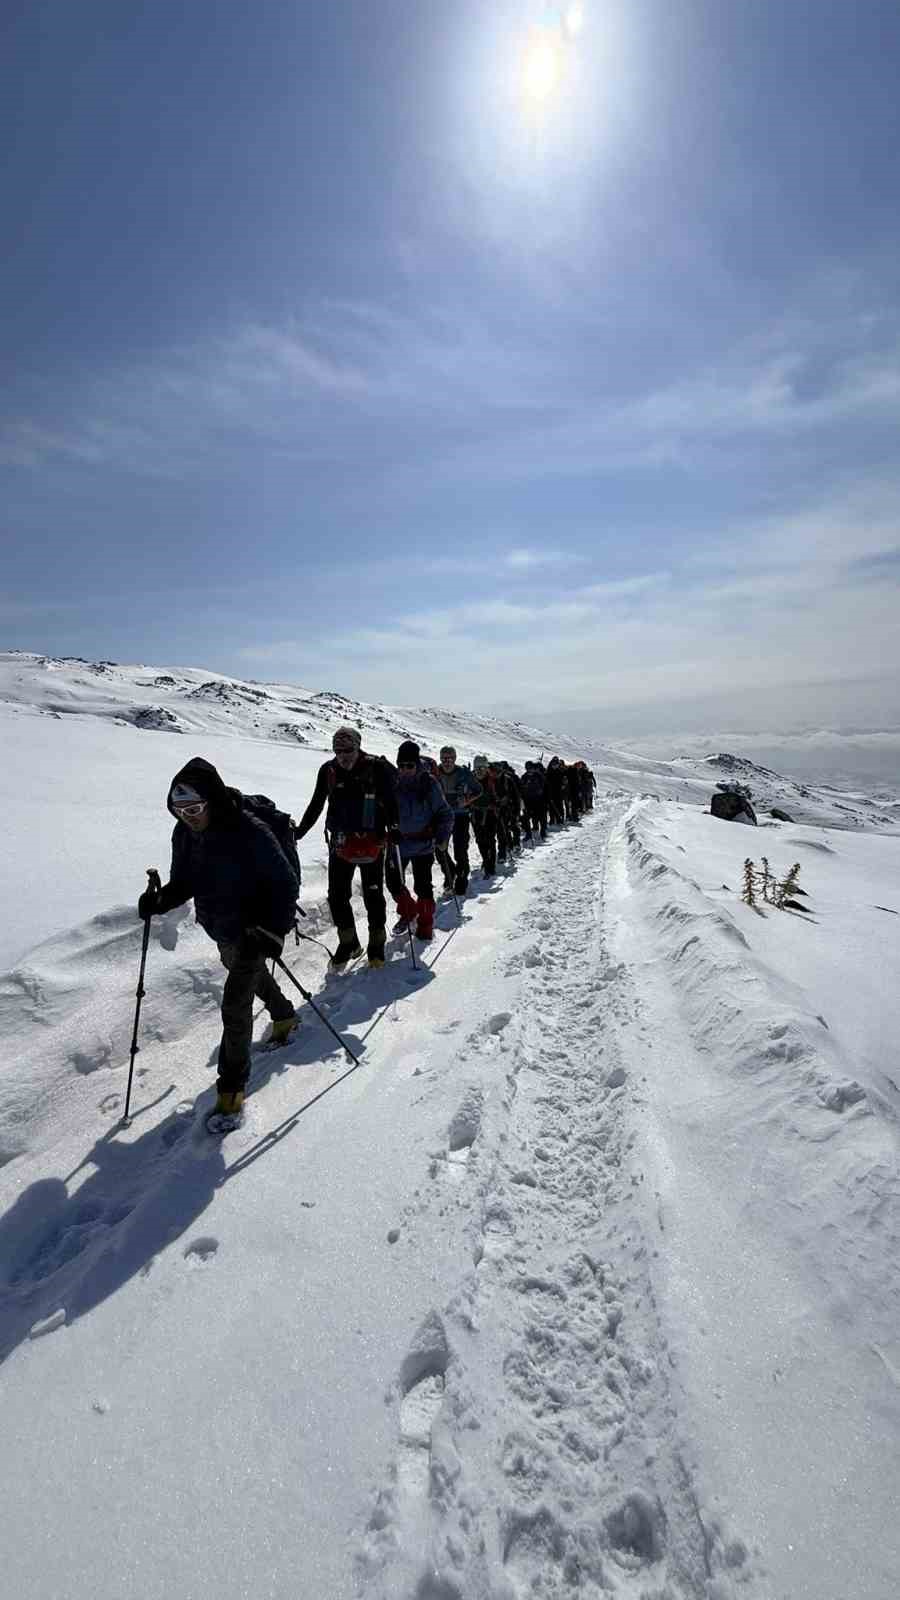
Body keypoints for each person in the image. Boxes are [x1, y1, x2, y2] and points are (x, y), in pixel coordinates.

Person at [138, 757, 300, 1121]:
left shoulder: (249, 830)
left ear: (211, 801)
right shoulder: (184, 833)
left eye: (194, 809)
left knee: (235, 1004)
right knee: (249, 976)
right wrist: (160, 901)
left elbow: (285, 882)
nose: (188, 817)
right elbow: (185, 882)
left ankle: (231, 1091)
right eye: (179, 811)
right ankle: (284, 1016)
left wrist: (272, 930)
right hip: (221, 925)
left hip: (255, 928)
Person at [293, 726, 398, 967]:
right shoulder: (328, 771)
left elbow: (392, 801)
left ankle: (376, 943)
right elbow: (316, 804)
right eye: (337, 751)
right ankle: (349, 942)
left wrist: (394, 827)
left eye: (348, 750)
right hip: (340, 842)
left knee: (373, 894)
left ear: (358, 746)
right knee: (337, 896)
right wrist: (300, 831)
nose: (343, 756)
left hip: (373, 840)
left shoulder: (377, 768)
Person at [384, 740, 453, 941]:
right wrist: (387, 831)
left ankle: (425, 925)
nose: (405, 770)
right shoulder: (392, 783)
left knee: (423, 886)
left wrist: (442, 837)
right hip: (398, 844)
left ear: (416, 764)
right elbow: (382, 811)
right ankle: (409, 911)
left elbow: (445, 813)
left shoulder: (429, 783)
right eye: (401, 765)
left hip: (423, 844)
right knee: (393, 883)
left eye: (410, 765)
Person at [436, 746, 481, 895]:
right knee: (439, 849)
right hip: (442, 817)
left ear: (455, 758)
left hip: (461, 816)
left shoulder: (464, 773)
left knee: (460, 851)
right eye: (444, 758)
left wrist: (466, 801)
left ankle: (461, 880)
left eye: (450, 758)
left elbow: (479, 790)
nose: (447, 762)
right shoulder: (435, 773)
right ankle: (450, 874)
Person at [470, 755, 500, 877]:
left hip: (490, 814)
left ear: (486, 768)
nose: (479, 771)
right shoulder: (470, 780)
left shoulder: (493, 781)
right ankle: (486, 860)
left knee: (490, 840)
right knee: (480, 840)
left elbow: (499, 796)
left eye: (482, 768)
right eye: (477, 768)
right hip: (476, 814)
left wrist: (497, 803)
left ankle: (490, 866)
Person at [520, 760, 548, 840]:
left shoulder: (539, 776)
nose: (529, 770)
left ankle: (543, 831)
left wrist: (545, 798)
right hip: (528, 801)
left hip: (539, 800)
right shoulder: (524, 777)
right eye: (527, 768)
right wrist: (522, 797)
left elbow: (545, 787)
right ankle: (528, 834)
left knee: (541, 817)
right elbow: (521, 788)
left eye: (530, 768)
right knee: (526, 818)